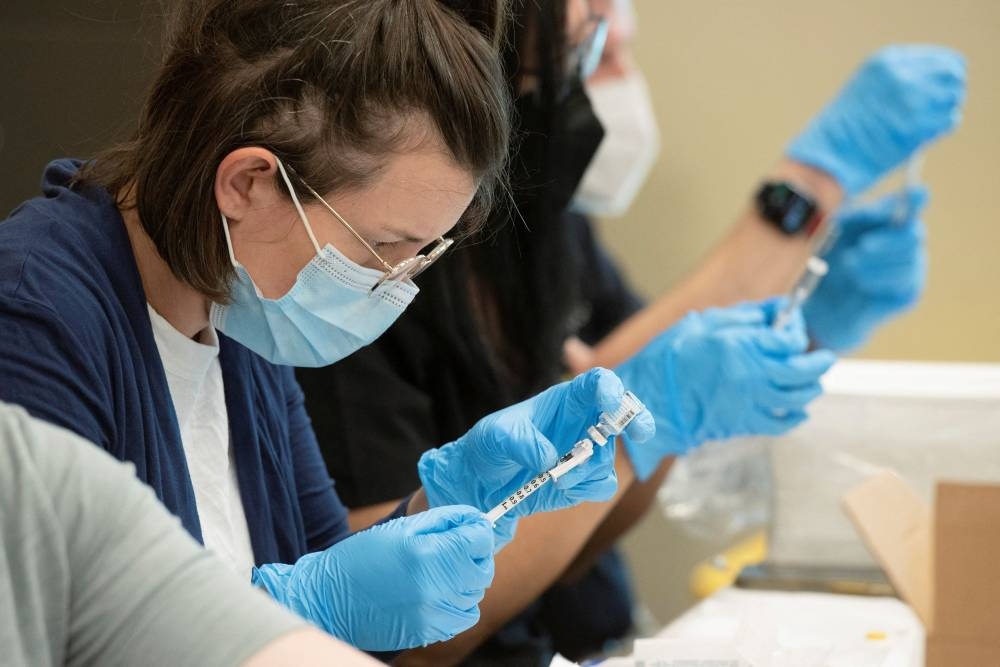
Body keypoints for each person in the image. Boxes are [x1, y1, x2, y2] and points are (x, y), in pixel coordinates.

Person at [295, 0, 966, 664]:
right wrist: (811, 184)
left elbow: (621, 466)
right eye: (598, 48)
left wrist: (810, 323)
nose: (609, 36)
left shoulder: (544, 233)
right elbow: (403, 631)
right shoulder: (362, 273)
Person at [0, 0, 654, 653]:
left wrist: (452, 504)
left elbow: (331, 570)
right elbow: (54, 635)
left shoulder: (236, 304)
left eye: (424, 253)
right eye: (382, 248)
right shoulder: (35, 319)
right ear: (249, 183)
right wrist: (299, 607)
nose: (398, 284)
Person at [0, 400, 385, 667]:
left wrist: (424, 502)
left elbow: (328, 548)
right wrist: (306, 601)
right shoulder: (35, 462)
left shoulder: (249, 352)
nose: (398, 281)